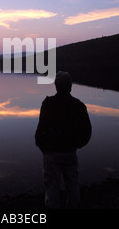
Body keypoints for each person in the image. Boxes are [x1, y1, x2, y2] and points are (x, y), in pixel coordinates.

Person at [35, 71, 92, 209]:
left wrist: (42, 146)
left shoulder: (48, 103)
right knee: (72, 186)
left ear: (56, 86)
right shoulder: (78, 105)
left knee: (52, 188)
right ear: (70, 86)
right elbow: (87, 132)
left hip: (52, 153)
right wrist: (77, 144)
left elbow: (40, 129)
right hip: (70, 152)